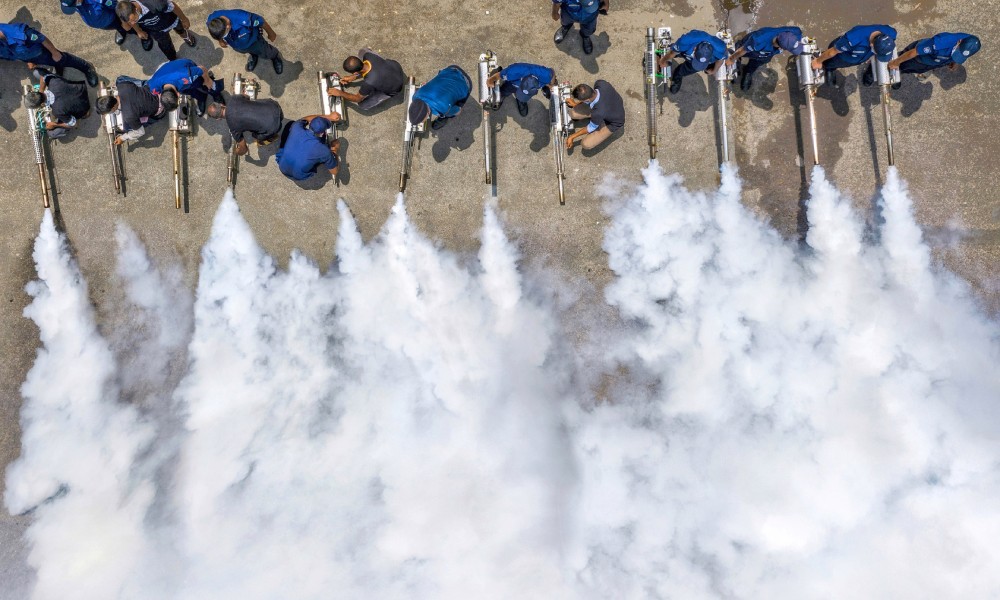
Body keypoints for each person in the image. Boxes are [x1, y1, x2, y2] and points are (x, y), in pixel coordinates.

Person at [0, 22, 98, 87]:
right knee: (53, 63)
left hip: (41, 51)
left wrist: (54, 52)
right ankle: (58, 65)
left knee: (61, 59)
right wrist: (28, 60)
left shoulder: (20, 33)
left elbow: (42, 39)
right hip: (29, 56)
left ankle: (86, 67)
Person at [95, 76, 179, 144]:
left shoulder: (129, 117)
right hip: (158, 91)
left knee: (127, 127)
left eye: (108, 112)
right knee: (120, 79)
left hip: (161, 109)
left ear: (113, 108)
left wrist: (123, 138)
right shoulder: (123, 86)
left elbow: (140, 132)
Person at [811, 24, 897, 87]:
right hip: (841, 56)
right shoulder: (853, 38)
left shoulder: (891, 33)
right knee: (831, 62)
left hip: (855, 59)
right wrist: (818, 61)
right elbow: (832, 51)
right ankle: (829, 67)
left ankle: (831, 67)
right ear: (871, 45)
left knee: (846, 64)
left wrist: (870, 56)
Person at [206, 9, 283, 74]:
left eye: (224, 36)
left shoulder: (244, 18)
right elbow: (216, 33)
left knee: (265, 50)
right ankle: (254, 55)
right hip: (237, 45)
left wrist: (271, 33)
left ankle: (274, 56)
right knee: (247, 50)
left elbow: (261, 21)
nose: (224, 37)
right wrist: (221, 40)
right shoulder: (212, 21)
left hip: (253, 41)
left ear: (228, 26)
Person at [727, 26, 804, 90]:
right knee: (739, 50)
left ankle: (748, 71)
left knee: (764, 59)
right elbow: (742, 50)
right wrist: (732, 59)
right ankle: (737, 63)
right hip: (751, 46)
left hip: (768, 52)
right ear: (781, 47)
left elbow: (800, 41)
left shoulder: (796, 32)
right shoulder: (758, 40)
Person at [115, 0, 195, 61]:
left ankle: (185, 35)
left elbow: (173, 7)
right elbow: (127, 28)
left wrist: (184, 19)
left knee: (180, 29)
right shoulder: (129, 15)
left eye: (134, 19)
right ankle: (173, 58)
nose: (132, 23)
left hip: (170, 20)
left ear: (136, 9)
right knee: (165, 46)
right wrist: (139, 31)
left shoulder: (156, 3)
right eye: (130, 21)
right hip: (156, 31)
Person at [329, 48, 406, 110]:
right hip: (396, 67)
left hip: (395, 88)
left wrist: (340, 93)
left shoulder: (369, 83)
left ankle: (389, 93)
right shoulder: (368, 56)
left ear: (355, 72)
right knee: (362, 51)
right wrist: (354, 76)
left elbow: (357, 98)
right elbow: (364, 69)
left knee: (363, 105)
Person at [205, 95, 283, 157]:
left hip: (274, 127)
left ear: (218, 119)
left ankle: (272, 136)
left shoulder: (233, 128)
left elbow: (244, 149)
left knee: (255, 136)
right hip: (275, 106)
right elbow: (247, 97)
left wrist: (237, 152)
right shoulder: (234, 98)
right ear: (221, 105)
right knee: (256, 102)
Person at [24, 68, 91, 138]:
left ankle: (85, 114)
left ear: (41, 104)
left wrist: (54, 124)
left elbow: (74, 124)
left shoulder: (58, 111)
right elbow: (43, 75)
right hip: (81, 88)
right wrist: (41, 91)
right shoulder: (53, 82)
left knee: (51, 134)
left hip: (84, 106)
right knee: (36, 72)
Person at [658, 29, 728, 94]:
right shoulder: (686, 41)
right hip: (685, 49)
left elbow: (721, 59)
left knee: (690, 68)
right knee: (675, 50)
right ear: (694, 49)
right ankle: (671, 49)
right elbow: (672, 53)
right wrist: (663, 60)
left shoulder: (720, 49)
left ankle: (678, 75)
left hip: (690, 55)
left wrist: (714, 70)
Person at [275, 114, 341, 182]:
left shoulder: (296, 126)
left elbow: (305, 118)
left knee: (290, 124)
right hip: (300, 175)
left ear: (310, 123)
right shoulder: (324, 150)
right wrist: (335, 150)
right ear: (321, 133)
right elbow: (335, 171)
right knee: (325, 156)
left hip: (282, 167)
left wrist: (329, 117)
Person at [147, 58, 224, 116]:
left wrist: (207, 81)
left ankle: (215, 93)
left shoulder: (186, 76)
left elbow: (202, 69)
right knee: (192, 92)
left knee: (204, 85)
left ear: (177, 95)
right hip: (176, 82)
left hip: (187, 69)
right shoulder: (153, 87)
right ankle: (201, 97)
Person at [562, 80, 625, 150]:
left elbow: (590, 128)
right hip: (608, 106)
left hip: (613, 122)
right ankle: (598, 120)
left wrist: (572, 137)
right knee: (573, 113)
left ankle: (601, 125)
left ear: (587, 100)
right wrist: (575, 104)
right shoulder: (600, 83)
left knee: (586, 144)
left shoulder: (598, 112)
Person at [408, 65, 472, 131]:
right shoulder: (415, 96)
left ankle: (443, 119)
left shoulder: (443, 110)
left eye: (422, 121)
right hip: (450, 69)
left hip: (465, 82)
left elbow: (458, 111)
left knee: (451, 112)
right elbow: (425, 84)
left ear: (428, 113)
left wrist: (450, 112)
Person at [889, 33, 980, 77]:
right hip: (918, 58)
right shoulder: (939, 43)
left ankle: (899, 74)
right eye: (958, 52)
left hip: (932, 63)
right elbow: (914, 52)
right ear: (959, 41)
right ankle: (892, 70)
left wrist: (955, 61)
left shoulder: (969, 42)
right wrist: (896, 62)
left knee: (911, 70)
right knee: (902, 64)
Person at [486, 62, 556, 116]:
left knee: (523, 97)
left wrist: (551, 84)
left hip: (526, 87)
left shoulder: (545, 75)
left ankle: (521, 100)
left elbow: (552, 71)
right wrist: (490, 80)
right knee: (507, 89)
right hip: (513, 83)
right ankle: (502, 95)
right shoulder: (513, 72)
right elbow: (499, 75)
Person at [61, 0, 134, 46]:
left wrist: (124, 22)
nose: (76, 6)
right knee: (115, 27)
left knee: (127, 28)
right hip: (103, 24)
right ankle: (120, 30)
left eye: (74, 4)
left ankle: (127, 29)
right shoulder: (74, 3)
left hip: (112, 19)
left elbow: (117, 7)